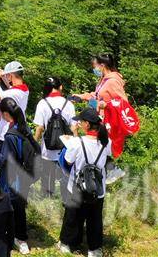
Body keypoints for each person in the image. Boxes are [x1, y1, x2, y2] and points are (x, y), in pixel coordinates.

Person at [58, 108, 110, 257]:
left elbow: (67, 163)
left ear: (87, 124)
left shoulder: (76, 143)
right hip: (98, 188)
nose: (78, 123)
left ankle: (68, 243)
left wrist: (71, 139)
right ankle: (95, 248)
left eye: (80, 121)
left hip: (77, 186)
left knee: (73, 215)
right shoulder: (107, 142)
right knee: (95, 218)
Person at [0, 99, 37, 255]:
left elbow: (3, 162)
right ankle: (22, 239)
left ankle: (9, 237)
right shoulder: (23, 127)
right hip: (25, 176)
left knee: (7, 207)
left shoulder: (10, 135)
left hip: (11, 179)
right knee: (20, 208)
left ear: (5, 114)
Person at [76, 53, 128, 184]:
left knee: (101, 144)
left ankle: (111, 170)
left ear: (102, 65)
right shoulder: (104, 80)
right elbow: (98, 95)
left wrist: (107, 105)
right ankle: (101, 174)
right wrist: (82, 96)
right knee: (99, 144)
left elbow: (123, 102)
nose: (95, 69)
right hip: (101, 118)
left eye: (96, 66)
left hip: (108, 120)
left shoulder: (113, 81)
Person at [32, 78, 75, 198]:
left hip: (48, 148)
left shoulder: (42, 103)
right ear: (60, 87)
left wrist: (34, 144)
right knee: (64, 176)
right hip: (65, 148)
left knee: (47, 176)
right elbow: (73, 127)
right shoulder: (68, 104)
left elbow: (40, 128)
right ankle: (65, 200)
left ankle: (46, 198)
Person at [0, 63, 29, 144]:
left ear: (10, 75)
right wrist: (4, 77)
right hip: (18, 131)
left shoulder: (12, 93)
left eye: (7, 75)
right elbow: (11, 87)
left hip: (5, 134)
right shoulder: (24, 89)